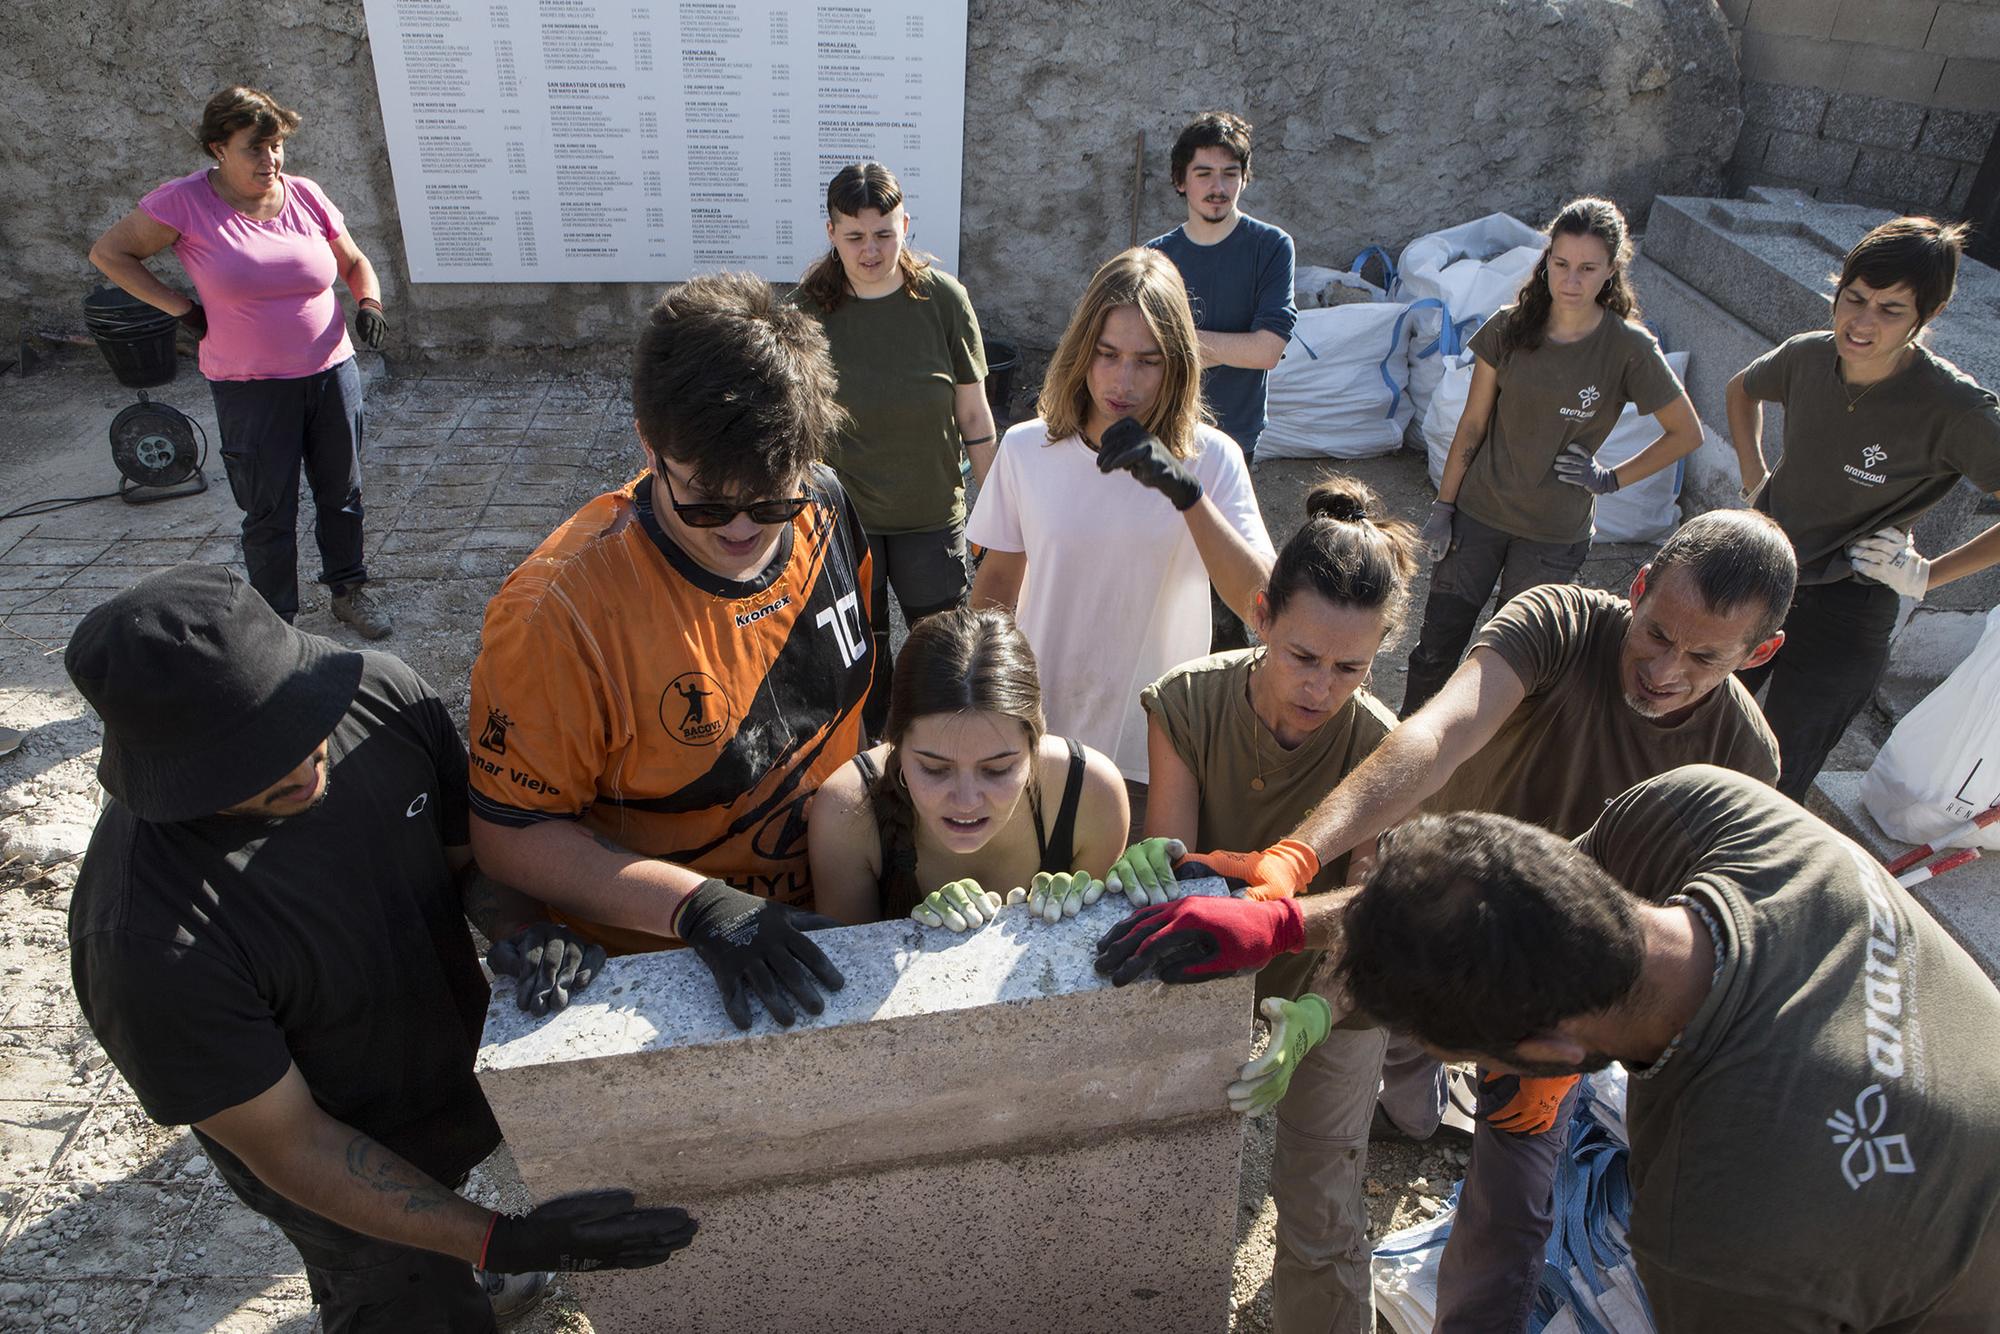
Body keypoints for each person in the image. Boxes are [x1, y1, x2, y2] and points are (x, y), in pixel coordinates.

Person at [1099, 507, 1797, 1334]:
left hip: (1545, 992)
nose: (1664, 670)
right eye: (1655, 635)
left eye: (1704, 658)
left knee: (1508, 1204)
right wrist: (1295, 857)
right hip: (1417, 926)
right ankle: (1410, 1078)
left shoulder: (1744, 767)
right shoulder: (1558, 624)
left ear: (1759, 656)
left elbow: (1673, 957)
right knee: (1403, 1072)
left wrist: (1568, 1054)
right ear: (1637, 588)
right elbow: (1438, 737)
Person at [64, 564, 694, 1333]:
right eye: (251, 762)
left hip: (444, 1087)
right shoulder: (147, 944)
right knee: (402, 1293)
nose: (300, 766)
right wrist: (501, 1239)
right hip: (339, 1172)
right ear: (176, 773)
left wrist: (517, 926)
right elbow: (296, 1148)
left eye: (300, 722)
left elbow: (470, 863)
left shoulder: (381, 695)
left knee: (440, 1245)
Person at [1338, 765, 2000, 1332]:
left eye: (1482, 1063)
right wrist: (1278, 923)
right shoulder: (1711, 808)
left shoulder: (1714, 1236)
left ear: (1549, 1047)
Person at [466, 273, 870, 1031]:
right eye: (707, 501)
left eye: (772, 500)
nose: (743, 530)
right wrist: (699, 907)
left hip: (838, 912)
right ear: (649, 444)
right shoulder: (561, 616)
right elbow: (508, 834)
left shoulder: (828, 504)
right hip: (672, 964)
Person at [1109, 475, 1452, 1334]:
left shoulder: (1381, 746)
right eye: (1302, 656)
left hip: (1326, 979)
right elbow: (1184, 882)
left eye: (1351, 668)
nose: (1320, 688)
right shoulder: (1187, 700)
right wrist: (1154, 866)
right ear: (1260, 615)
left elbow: (1370, 915)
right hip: (1207, 955)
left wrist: (1315, 1014)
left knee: (1323, 1199)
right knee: (1160, 1171)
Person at [966, 247, 1275, 824]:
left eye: (1148, 360)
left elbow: (1263, 607)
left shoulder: (1212, 461)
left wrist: (1187, 495)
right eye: (1107, 354)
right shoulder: (1028, 449)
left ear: (1178, 364)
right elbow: (998, 585)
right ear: (1081, 351)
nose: (1123, 380)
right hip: (1036, 735)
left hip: (1152, 750)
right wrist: (978, 704)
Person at [88, 86, 393, 639]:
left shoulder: (305, 194)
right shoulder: (183, 203)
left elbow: (353, 260)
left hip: (331, 372)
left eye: (276, 146)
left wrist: (368, 301)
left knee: (341, 492)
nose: (271, 160)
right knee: (268, 506)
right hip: (251, 386)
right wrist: (181, 309)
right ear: (217, 149)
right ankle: (278, 622)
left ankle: (349, 592)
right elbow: (110, 253)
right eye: (255, 147)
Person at [1727, 216, 2000, 799]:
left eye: (1890, 310)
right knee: (1699, 719)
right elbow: (1741, 390)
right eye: (1854, 299)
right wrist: (1755, 479)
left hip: (1849, 606)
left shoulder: (1956, 408)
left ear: (1928, 315)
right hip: (1763, 572)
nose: (1862, 322)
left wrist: (1926, 576)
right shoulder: (1806, 358)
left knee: (1780, 768)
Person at [1405, 197, 1702, 715]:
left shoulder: (1628, 348)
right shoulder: (1510, 327)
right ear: (1545, 263)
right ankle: (1405, 744)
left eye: (1588, 268)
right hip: (1477, 515)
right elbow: (1472, 423)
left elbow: (1685, 432)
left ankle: (1484, 766)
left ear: (1611, 271)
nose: (1571, 280)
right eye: (1560, 264)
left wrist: (1610, 479)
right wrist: (1443, 507)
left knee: (1512, 662)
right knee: (1436, 649)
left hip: (1552, 535)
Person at [793, 163, 998, 738]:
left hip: (928, 513)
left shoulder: (943, 301)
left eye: (884, 233)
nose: (871, 249)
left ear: (905, 225)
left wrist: (1003, 504)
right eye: (855, 236)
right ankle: (870, 757)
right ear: (831, 233)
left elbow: (975, 414)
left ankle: (943, 744)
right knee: (862, 650)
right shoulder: (806, 311)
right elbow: (789, 422)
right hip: (841, 520)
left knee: (944, 652)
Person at [808, 605, 1128, 929]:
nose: (967, 801)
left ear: (1035, 747)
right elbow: (850, 971)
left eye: (997, 769)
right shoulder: (847, 812)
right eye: (935, 769)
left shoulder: (1091, 793)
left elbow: (1088, 960)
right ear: (896, 746)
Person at [1145, 111, 1297, 652]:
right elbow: (1145, 353)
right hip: (1166, 430)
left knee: (1226, 571)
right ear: (1180, 181)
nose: (1217, 186)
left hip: (1234, 436)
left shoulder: (1270, 247)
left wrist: (1181, 345)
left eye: (1229, 173)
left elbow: (1267, 350)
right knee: (1163, 563)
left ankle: (1223, 676)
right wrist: (1216, 347)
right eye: (1204, 173)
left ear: (1244, 178)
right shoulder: (1157, 258)